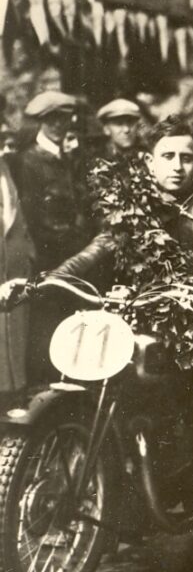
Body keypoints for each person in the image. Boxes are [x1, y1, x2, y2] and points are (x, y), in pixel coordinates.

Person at [0, 116, 193, 562]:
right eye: (167, 156)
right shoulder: (136, 211)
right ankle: (118, 508)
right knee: (115, 399)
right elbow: (93, 253)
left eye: (186, 157)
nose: (177, 166)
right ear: (149, 162)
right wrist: (37, 284)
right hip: (149, 328)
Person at [10, 91, 94, 385]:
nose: (59, 125)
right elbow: (31, 218)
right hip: (46, 263)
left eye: (64, 118)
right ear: (41, 122)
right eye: (52, 119)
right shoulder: (26, 162)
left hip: (76, 264)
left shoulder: (73, 160)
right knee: (45, 337)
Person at [0, 111, 33, 395]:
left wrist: (28, 258)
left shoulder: (6, 168)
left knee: (13, 386)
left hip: (14, 291)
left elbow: (17, 221)